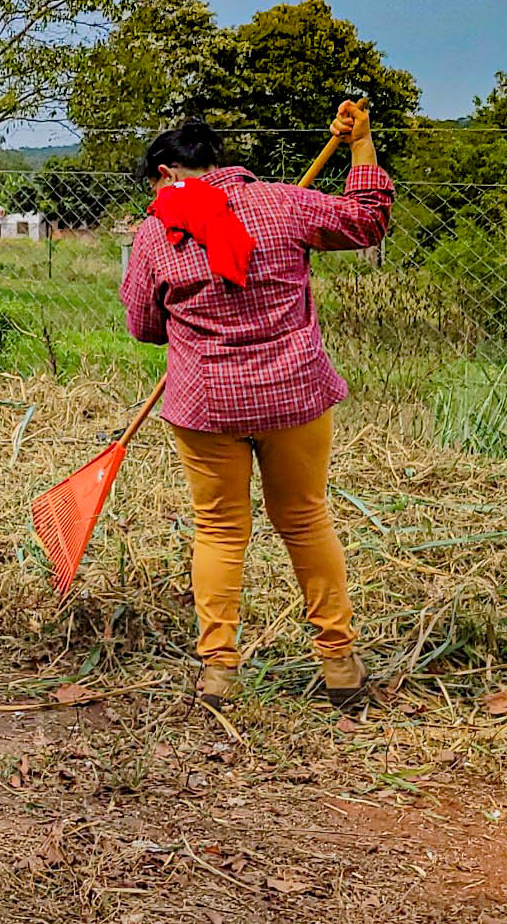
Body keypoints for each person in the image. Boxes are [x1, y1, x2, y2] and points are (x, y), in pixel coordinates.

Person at [119, 103, 393, 709]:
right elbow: (367, 220)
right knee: (305, 519)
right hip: (294, 396)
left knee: (218, 530)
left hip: (207, 405)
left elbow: (143, 325)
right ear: (219, 162)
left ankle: (218, 671)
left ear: (166, 173)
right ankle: (341, 667)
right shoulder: (282, 203)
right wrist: (361, 144)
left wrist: (196, 320)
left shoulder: (155, 233)